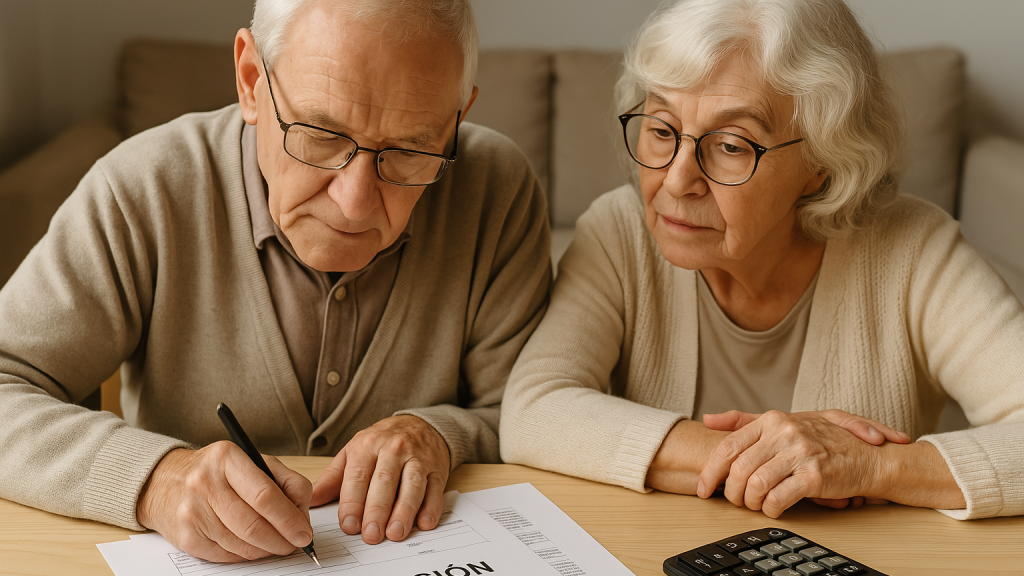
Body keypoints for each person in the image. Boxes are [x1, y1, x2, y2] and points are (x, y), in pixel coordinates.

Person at [0, 0, 550, 563]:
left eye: (410, 150)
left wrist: (438, 433)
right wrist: (157, 479)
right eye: (320, 134)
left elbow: (532, 413)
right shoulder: (145, 188)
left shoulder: (497, 192)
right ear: (251, 81)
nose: (355, 202)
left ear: (457, 118)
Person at [500, 0, 1024, 520]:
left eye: (730, 145)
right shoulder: (618, 232)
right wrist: (771, 460)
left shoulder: (915, 251)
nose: (678, 180)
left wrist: (867, 467)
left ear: (822, 162)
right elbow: (534, 412)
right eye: (661, 130)